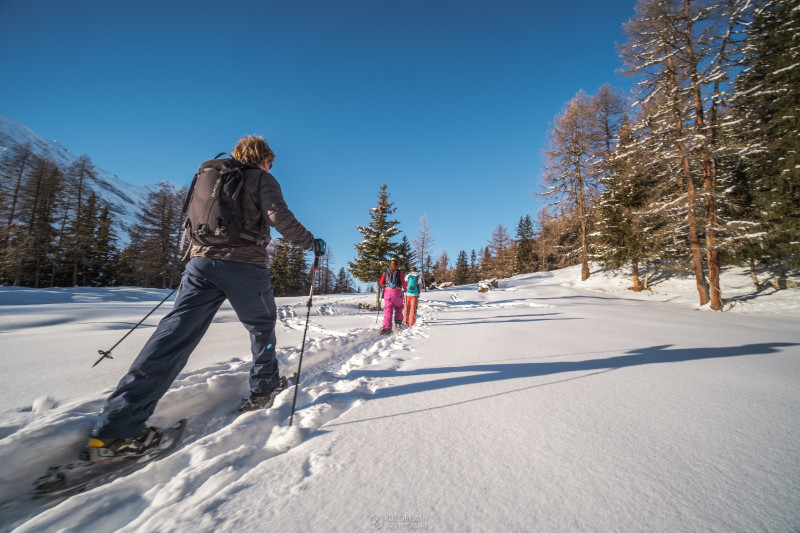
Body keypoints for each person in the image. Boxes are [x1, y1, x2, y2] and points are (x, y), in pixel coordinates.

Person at [81, 135, 324, 461]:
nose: (270, 166)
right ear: (263, 158)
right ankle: (265, 386)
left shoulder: (212, 178)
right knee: (261, 325)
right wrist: (311, 242)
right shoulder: (261, 177)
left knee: (172, 336)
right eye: (270, 161)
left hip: (200, 266)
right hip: (244, 266)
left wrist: (200, 260)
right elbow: (277, 215)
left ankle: (115, 429)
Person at [379, 257, 406, 334]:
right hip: (397, 292)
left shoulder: (385, 272)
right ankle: (398, 324)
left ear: (389, 265)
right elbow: (403, 282)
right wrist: (406, 289)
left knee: (388, 310)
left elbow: (381, 282)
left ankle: (387, 328)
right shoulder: (400, 272)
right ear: (397, 265)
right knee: (398, 308)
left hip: (387, 293)